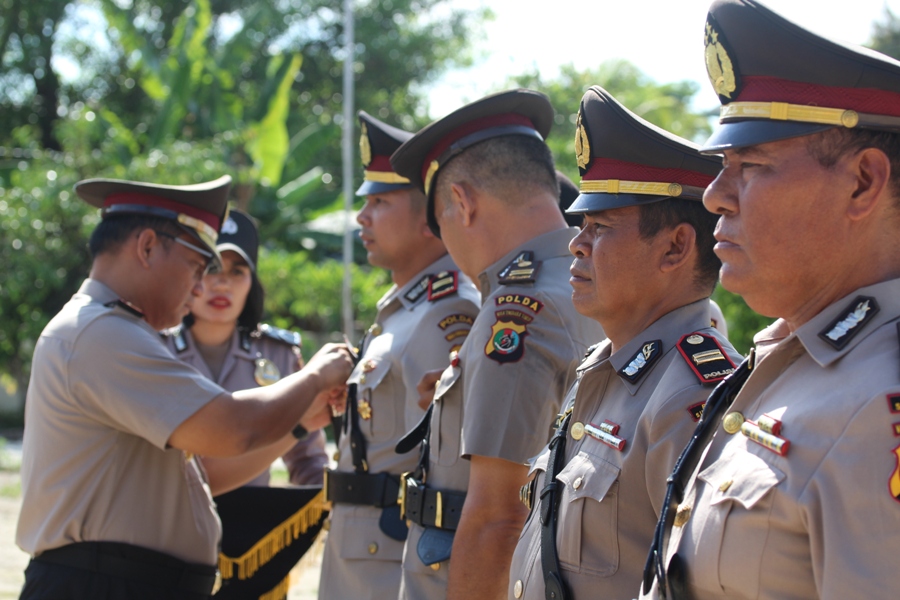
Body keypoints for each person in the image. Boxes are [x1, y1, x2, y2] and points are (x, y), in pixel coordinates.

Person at [641, 1, 900, 598]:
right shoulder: (791, 363)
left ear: (863, 182)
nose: (713, 196)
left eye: (751, 166)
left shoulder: (877, 401)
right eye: (720, 166)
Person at [16, 176, 352, 600]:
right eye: (197, 268)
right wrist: (317, 375)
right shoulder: (101, 333)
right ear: (148, 247)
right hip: (103, 583)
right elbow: (233, 428)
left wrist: (300, 424)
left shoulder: (112, 329)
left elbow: (205, 474)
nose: (199, 288)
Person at [506, 86, 742, 600]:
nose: (576, 244)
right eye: (580, 225)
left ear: (676, 247)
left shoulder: (690, 397)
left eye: (600, 226)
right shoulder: (606, 366)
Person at [390, 89, 604, 599]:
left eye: (440, 223)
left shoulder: (517, 311)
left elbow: (498, 519)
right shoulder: (593, 286)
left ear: (461, 203)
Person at [317, 111, 480, 600]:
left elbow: (446, 467)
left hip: (391, 564)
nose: (362, 217)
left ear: (432, 218)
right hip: (363, 552)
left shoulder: (447, 311)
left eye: (381, 202)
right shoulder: (407, 307)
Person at [163, 208, 328, 599]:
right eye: (212, 268)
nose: (223, 284)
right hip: (169, 535)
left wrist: (324, 508)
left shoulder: (281, 355)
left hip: (253, 543)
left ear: (252, 282)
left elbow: (307, 458)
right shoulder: (155, 347)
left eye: (238, 271)